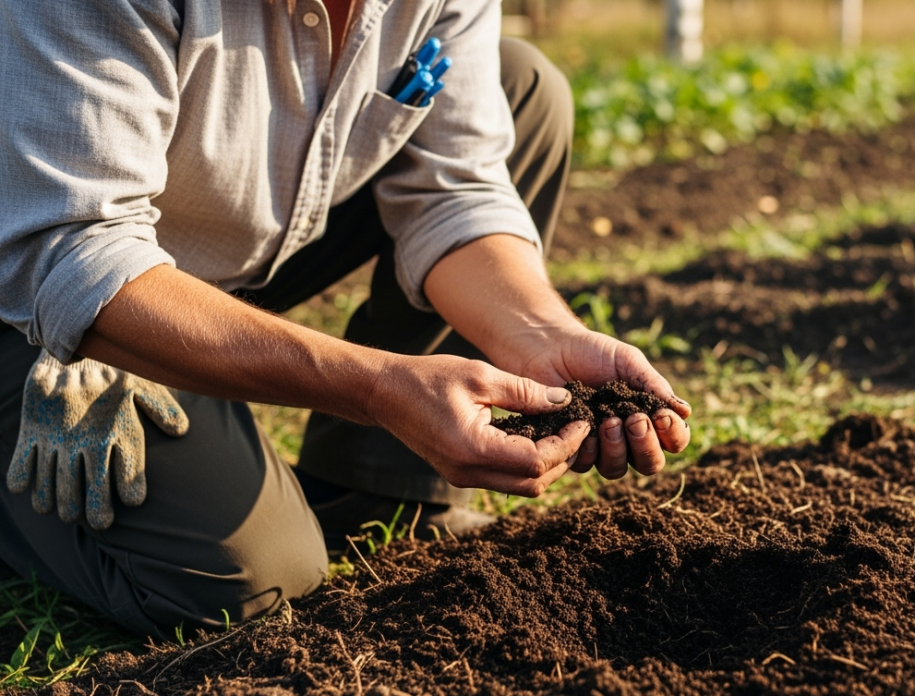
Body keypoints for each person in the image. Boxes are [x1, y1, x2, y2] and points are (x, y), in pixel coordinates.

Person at [0, 0, 691, 638]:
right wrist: (380, 388)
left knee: (525, 89)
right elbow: (71, 247)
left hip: (209, 250)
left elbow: (453, 188)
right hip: (37, 258)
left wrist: (546, 336)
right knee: (245, 580)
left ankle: (375, 490)